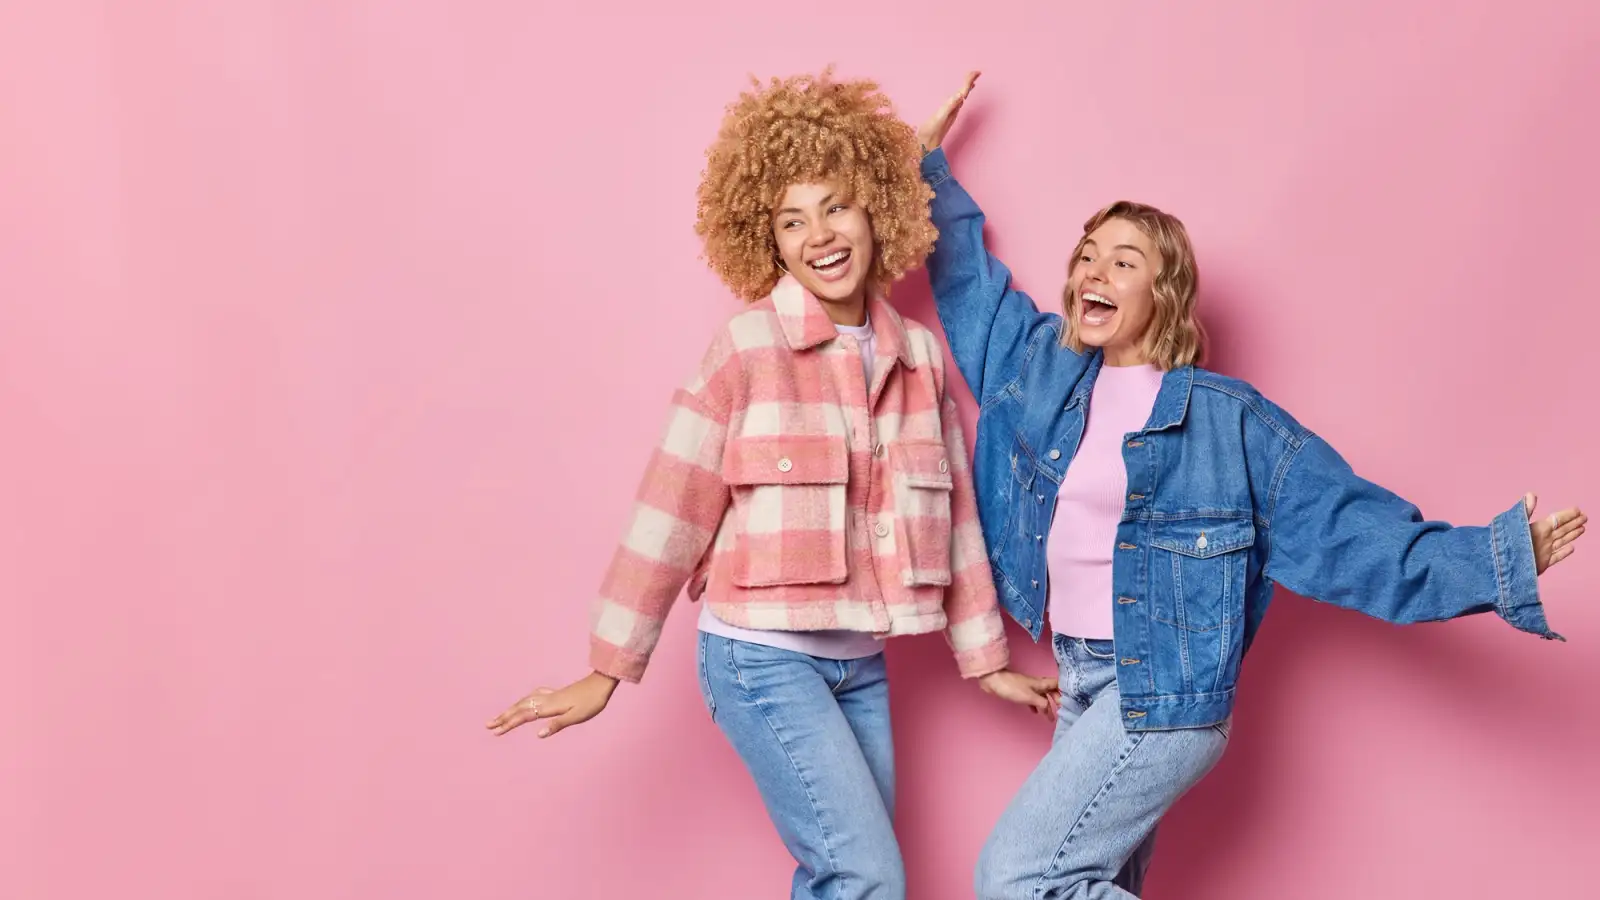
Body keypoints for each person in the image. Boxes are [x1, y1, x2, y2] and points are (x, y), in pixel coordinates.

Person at [914, 71, 1587, 900]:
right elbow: (974, 293)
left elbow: (1347, 527)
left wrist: (1496, 558)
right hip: (1079, 680)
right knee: (1080, 880)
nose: (1095, 268)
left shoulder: (1229, 423)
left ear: (1160, 292)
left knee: (1015, 876)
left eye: (1123, 261)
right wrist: (925, 171)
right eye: (1087, 254)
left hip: (1163, 687)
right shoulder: (1043, 372)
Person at [488, 71, 1057, 900]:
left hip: (859, 664)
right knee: (863, 875)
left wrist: (984, 661)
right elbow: (671, 502)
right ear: (768, 240)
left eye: (836, 206)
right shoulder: (748, 348)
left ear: (876, 211)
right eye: (792, 220)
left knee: (846, 878)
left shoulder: (919, 359)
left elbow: (957, 518)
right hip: (758, 657)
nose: (818, 235)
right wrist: (608, 667)